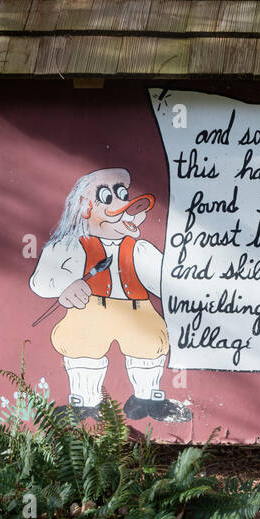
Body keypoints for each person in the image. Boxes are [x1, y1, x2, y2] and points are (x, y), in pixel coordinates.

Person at [29, 167, 191, 422]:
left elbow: (165, 283)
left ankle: (147, 397)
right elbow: (40, 281)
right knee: (80, 346)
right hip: (90, 310)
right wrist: (65, 286)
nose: (122, 205)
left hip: (137, 310)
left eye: (123, 195)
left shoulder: (139, 249)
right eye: (107, 197)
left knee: (149, 345)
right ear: (85, 208)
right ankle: (85, 401)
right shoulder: (71, 246)